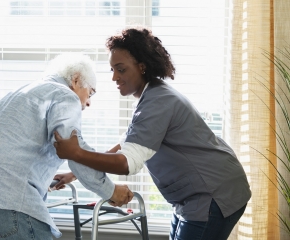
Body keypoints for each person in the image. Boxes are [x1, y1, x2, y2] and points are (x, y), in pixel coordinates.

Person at [53, 27, 252, 240]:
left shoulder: (158, 101)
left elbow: (126, 163)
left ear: (142, 67)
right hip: (194, 196)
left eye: (120, 69)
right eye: (112, 70)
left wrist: (76, 154)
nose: (114, 78)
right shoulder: (150, 97)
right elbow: (125, 144)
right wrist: (75, 173)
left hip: (214, 193)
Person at [0, 53, 133, 240]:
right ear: (76, 80)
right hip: (5, 198)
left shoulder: (18, 93)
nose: (89, 102)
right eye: (91, 92)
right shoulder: (64, 95)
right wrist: (111, 190)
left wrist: (39, 177)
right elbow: (75, 150)